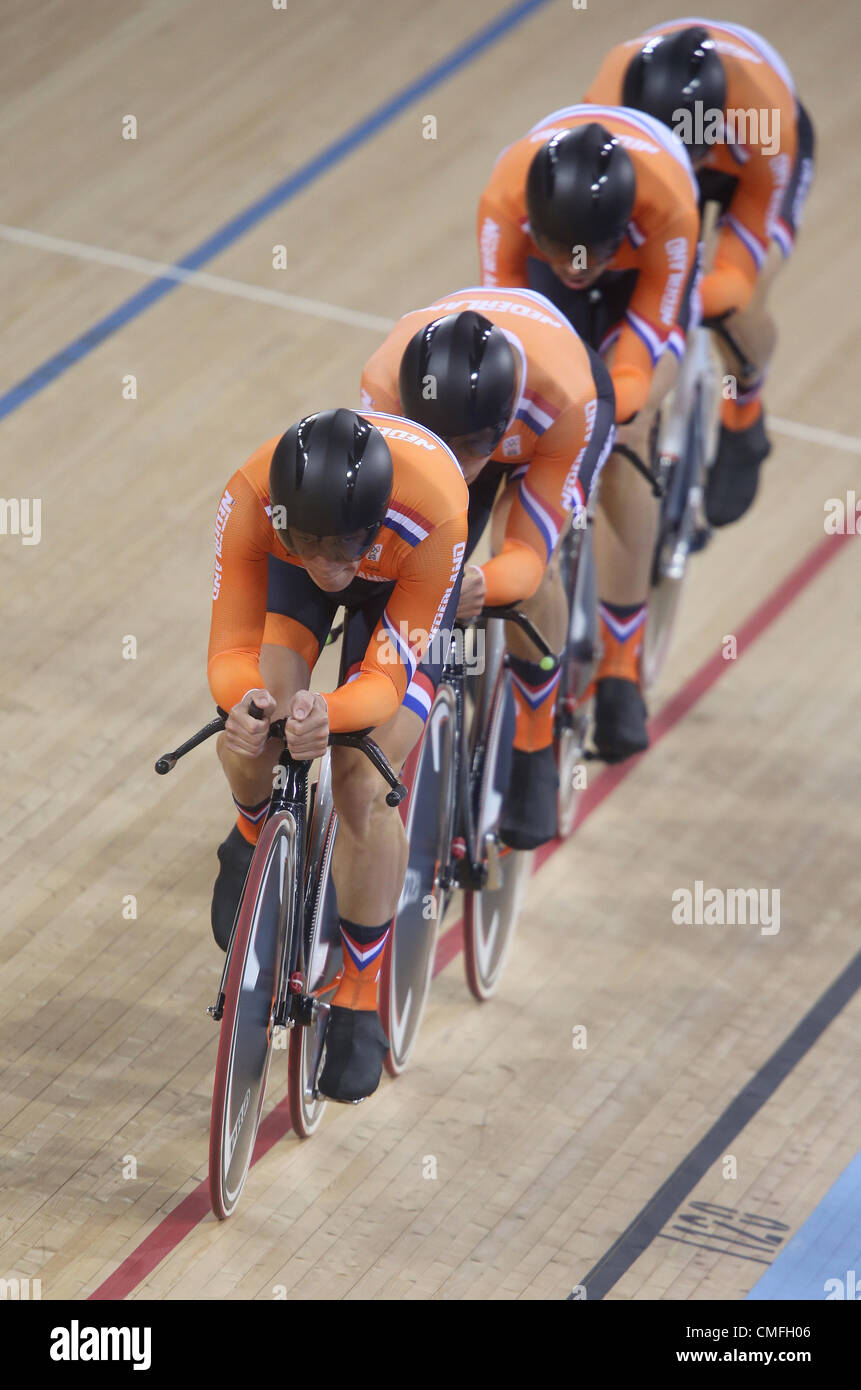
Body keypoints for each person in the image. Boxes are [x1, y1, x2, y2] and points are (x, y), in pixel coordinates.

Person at [207, 408, 468, 1102]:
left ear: (374, 519)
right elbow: (230, 655)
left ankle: (357, 992)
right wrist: (253, 707)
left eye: (345, 544)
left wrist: (332, 712)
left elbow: (383, 680)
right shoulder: (252, 496)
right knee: (258, 716)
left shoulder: (434, 514)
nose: (329, 564)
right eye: (312, 543)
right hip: (301, 566)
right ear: (286, 521)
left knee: (360, 784)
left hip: (403, 588)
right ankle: (250, 832)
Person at [477, 107, 699, 758]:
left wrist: (607, 412)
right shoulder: (504, 197)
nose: (576, 267)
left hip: (641, 281)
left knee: (627, 431)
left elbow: (636, 357)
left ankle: (621, 666)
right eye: (559, 251)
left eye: (591, 255)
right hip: (552, 282)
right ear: (531, 226)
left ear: (619, 230)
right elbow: (509, 327)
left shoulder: (669, 213)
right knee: (514, 421)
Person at [361, 289, 614, 840]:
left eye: (472, 446)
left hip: (548, 432)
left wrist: (479, 582)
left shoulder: (566, 402)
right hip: (456, 424)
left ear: (499, 431)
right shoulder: (386, 382)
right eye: (442, 442)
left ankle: (534, 744)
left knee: (527, 582)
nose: (457, 462)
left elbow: (524, 557)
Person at [584, 20, 815, 525]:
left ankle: (744, 412)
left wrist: (696, 294)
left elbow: (748, 244)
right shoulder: (607, 97)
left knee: (732, 297)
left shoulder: (764, 118)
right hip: (641, 174)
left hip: (748, 173)